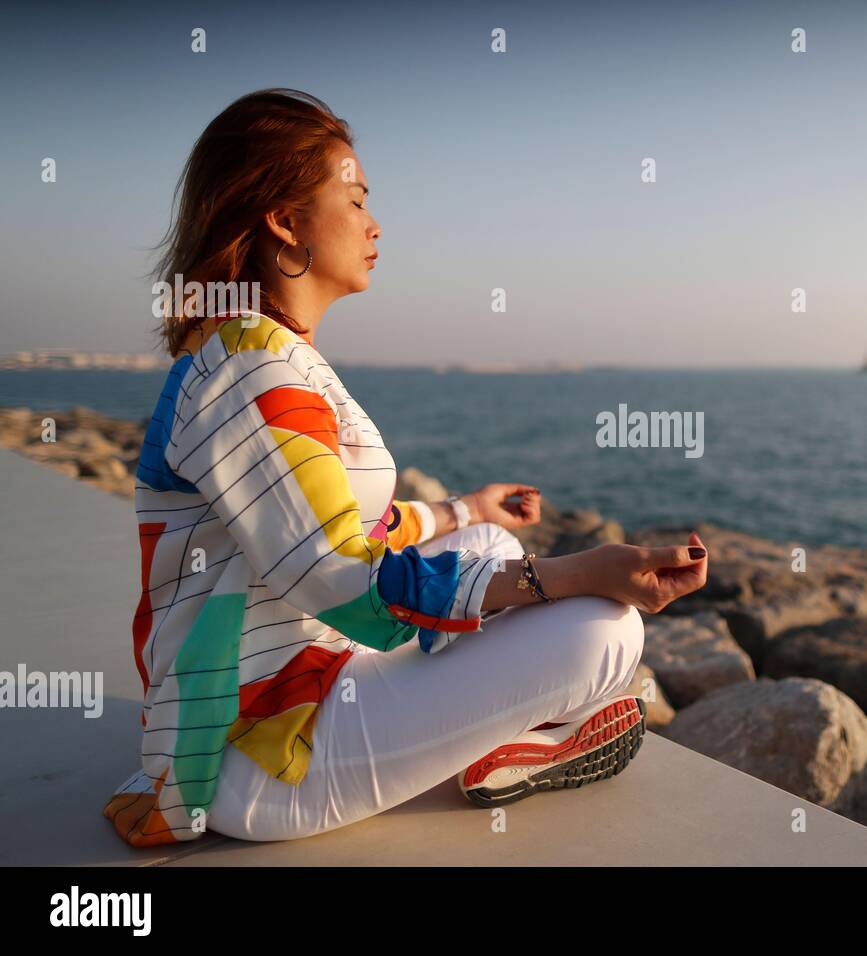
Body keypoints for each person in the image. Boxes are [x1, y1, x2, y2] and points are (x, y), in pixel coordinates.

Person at [102, 89, 708, 846]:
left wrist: (467, 511)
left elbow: (352, 525)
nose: (374, 223)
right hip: (262, 751)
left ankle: (505, 734)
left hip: (311, 674)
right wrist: (574, 574)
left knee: (491, 549)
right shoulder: (250, 373)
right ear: (285, 223)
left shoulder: (270, 353)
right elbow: (342, 579)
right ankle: (525, 734)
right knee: (603, 632)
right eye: (353, 200)